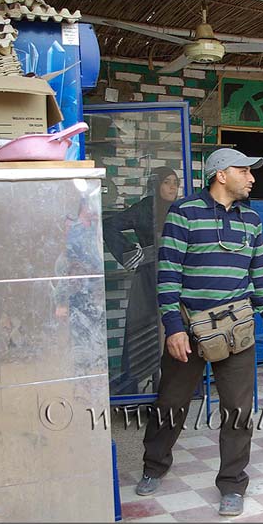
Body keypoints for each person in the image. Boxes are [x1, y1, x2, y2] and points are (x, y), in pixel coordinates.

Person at [135, 148, 263, 518]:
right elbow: (167, 275)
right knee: (171, 403)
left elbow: (259, 275)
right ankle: (154, 466)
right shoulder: (183, 212)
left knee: (239, 410)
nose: (251, 178)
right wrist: (173, 328)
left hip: (236, 332)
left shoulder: (252, 220)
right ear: (220, 174)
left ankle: (232, 484)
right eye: (244, 171)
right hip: (188, 329)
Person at [102, 166, 180, 394]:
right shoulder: (146, 207)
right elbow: (109, 225)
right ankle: (136, 392)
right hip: (148, 279)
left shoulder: (180, 209)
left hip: (177, 278)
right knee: (143, 332)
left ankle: (172, 390)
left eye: (175, 182)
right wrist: (130, 253)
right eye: (167, 182)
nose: (172, 187)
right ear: (155, 185)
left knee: (174, 331)